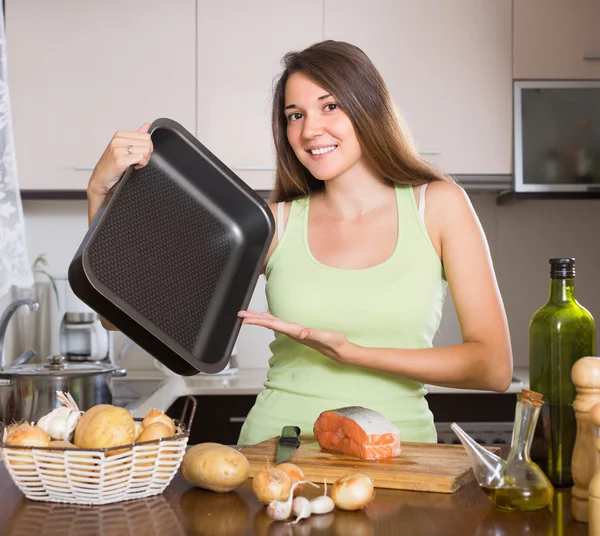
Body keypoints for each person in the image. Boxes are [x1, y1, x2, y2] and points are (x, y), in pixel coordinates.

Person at [86, 40, 513, 446]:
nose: (310, 130)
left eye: (330, 106)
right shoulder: (271, 224)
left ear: (369, 107)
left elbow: (493, 367)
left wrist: (352, 353)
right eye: (295, 115)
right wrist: (100, 196)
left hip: (400, 453)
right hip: (277, 450)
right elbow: (124, 316)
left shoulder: (438, 205)